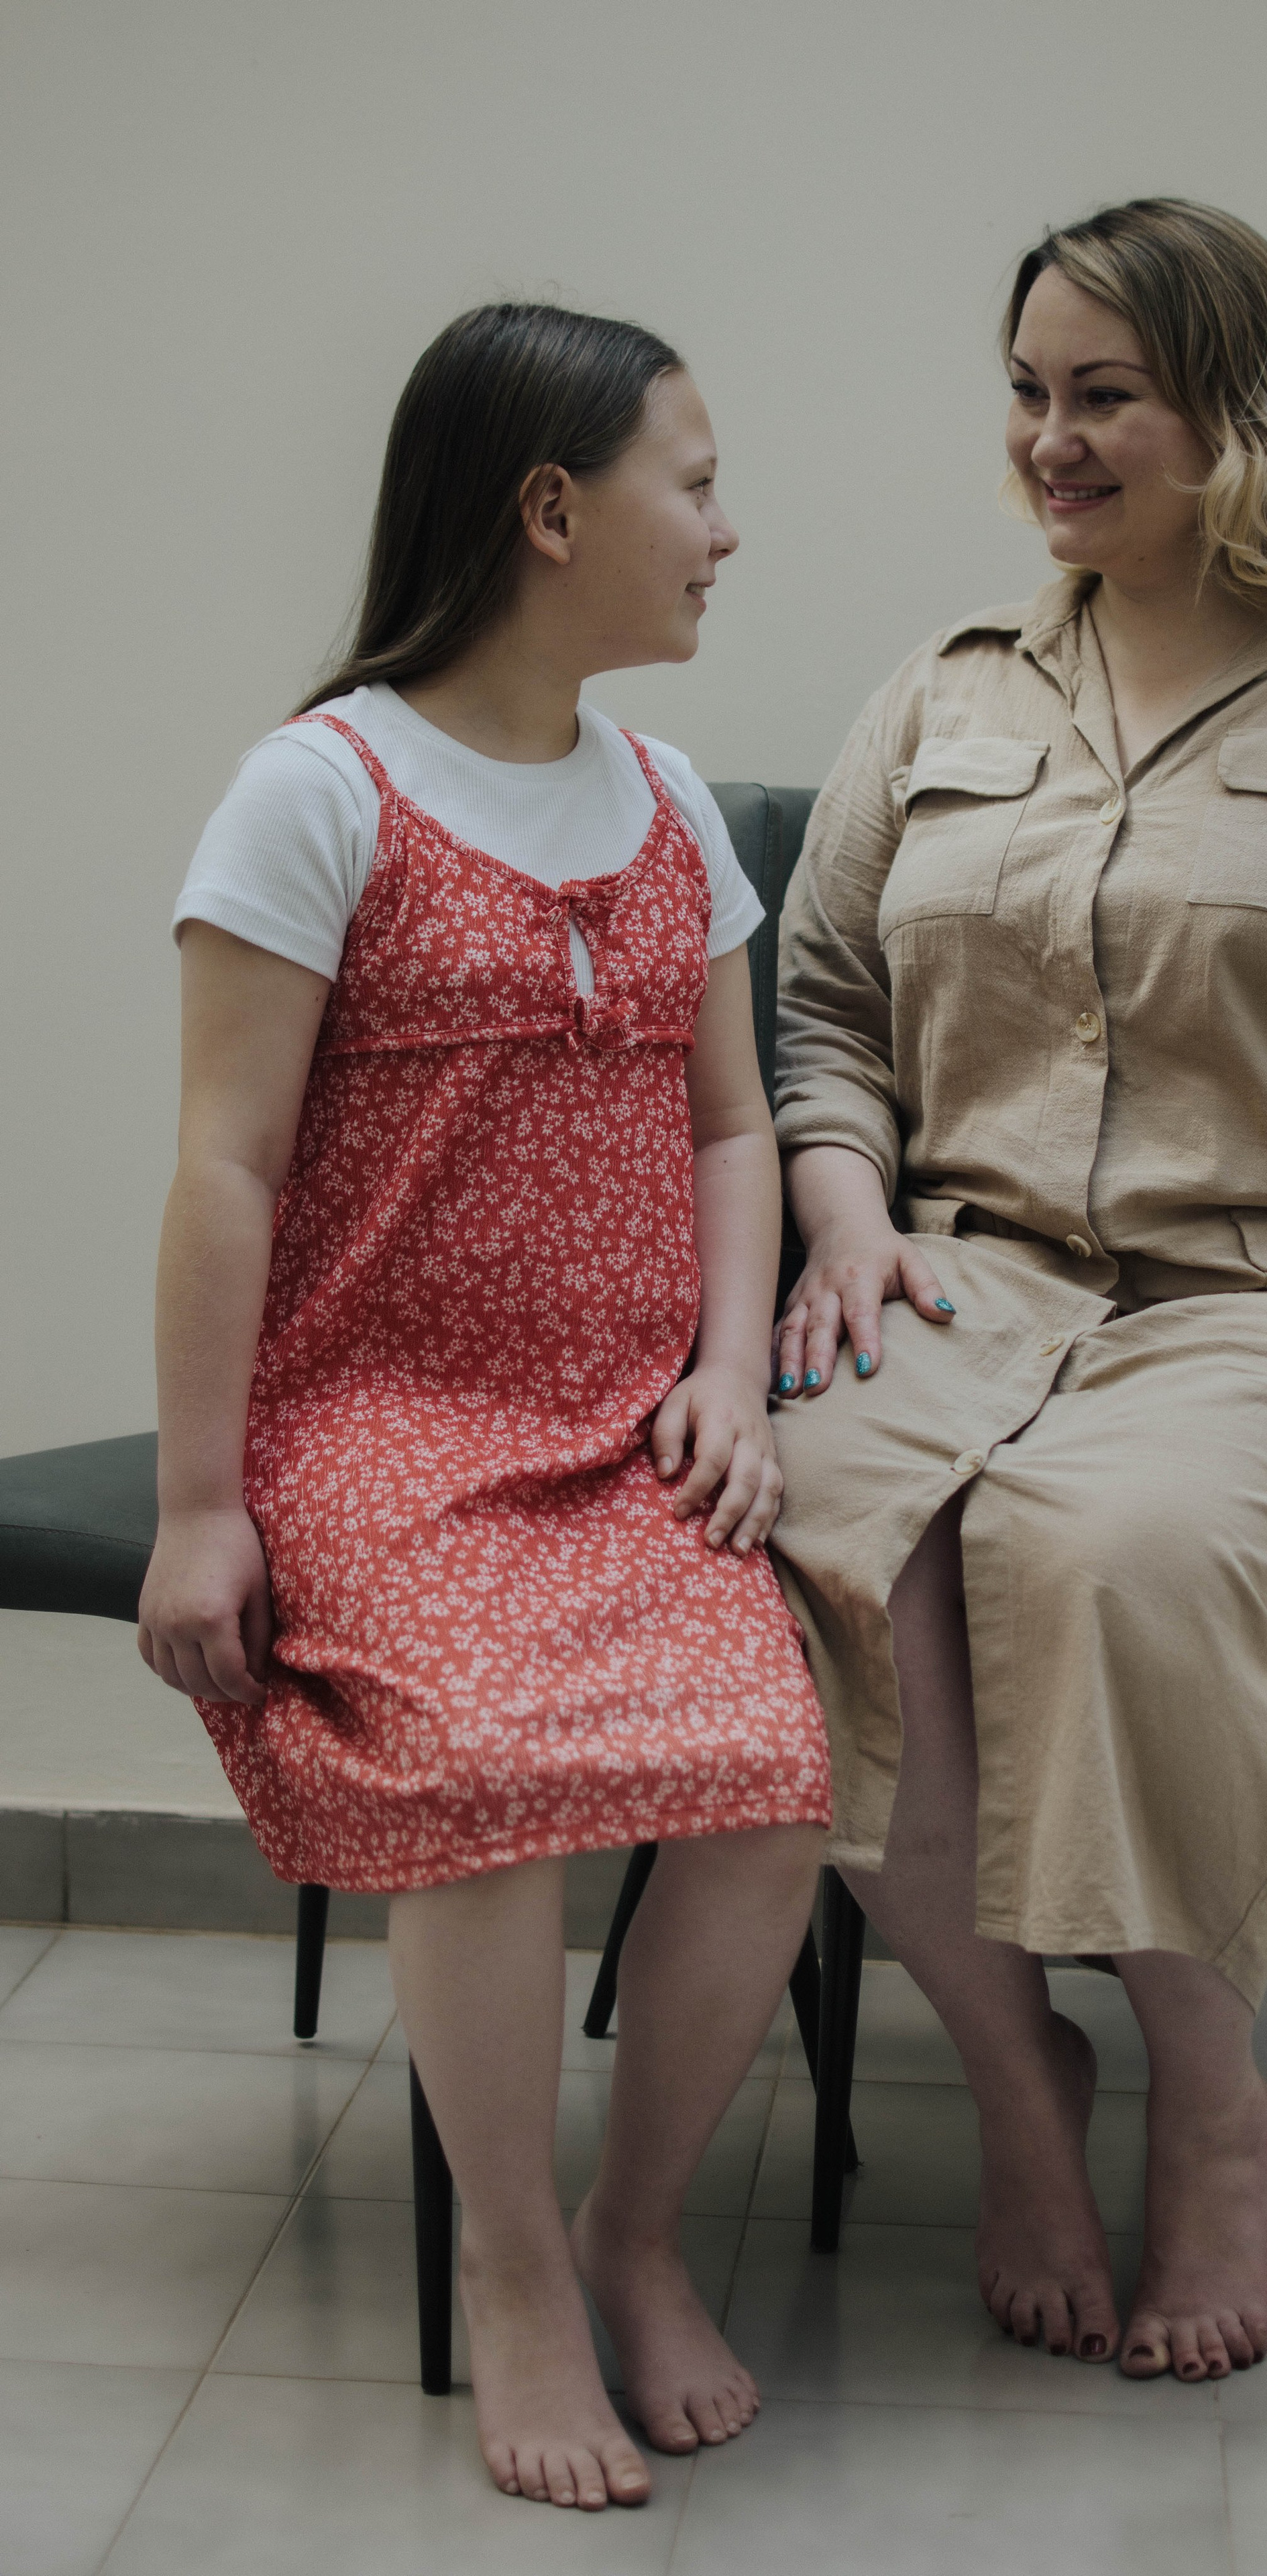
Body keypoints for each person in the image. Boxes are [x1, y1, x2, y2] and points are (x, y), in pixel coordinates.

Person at [767, 199, 1267, 2386]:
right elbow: (822, 1008)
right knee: (802, 1530)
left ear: (1237, 411)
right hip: (963, 1276)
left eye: (1104, 395)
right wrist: (843, 1215)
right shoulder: (948, 688)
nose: (1049, 439)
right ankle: (1018, 2073)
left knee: (1106, 1551)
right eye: (1028, 392)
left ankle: (1210, 2102)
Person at [137, 303, 830, 2512]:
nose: (725, 530)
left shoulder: (668, 806)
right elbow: (226, 1169)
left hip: (620, 1423)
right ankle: (513, 2267)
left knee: (774, 1769)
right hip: (378, 1430)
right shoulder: (316, 790)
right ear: (550, 510)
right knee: (490, 1769)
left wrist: (727, 1372)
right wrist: (200, 1502)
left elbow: (734, 1127)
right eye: (692, 486)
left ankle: (635, 2233)